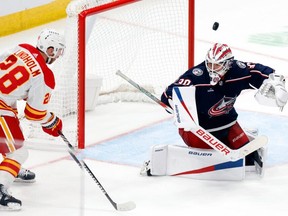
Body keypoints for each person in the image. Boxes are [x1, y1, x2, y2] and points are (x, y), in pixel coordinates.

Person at [140, 43, 288, 178]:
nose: (211, 69)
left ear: (228, 64)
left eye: (216, 65)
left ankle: (239, 138)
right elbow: (168, 95)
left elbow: (261, 72)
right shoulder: (195, 77)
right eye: (209, 64)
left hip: (227, 123)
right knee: (218, 160)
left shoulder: (238, 71)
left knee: (249, 159)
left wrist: (276, 83)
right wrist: (173, 102)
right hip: (198, 130)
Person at [0, 28, 65, 211]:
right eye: (58, 50)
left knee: (11, 126)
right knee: (19, 152)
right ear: (50, 49)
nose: (59, 55)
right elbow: (34, 114)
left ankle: (10, 169)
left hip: (4, 102)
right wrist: (52, 121)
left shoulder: (23, 47)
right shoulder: (45, 75)